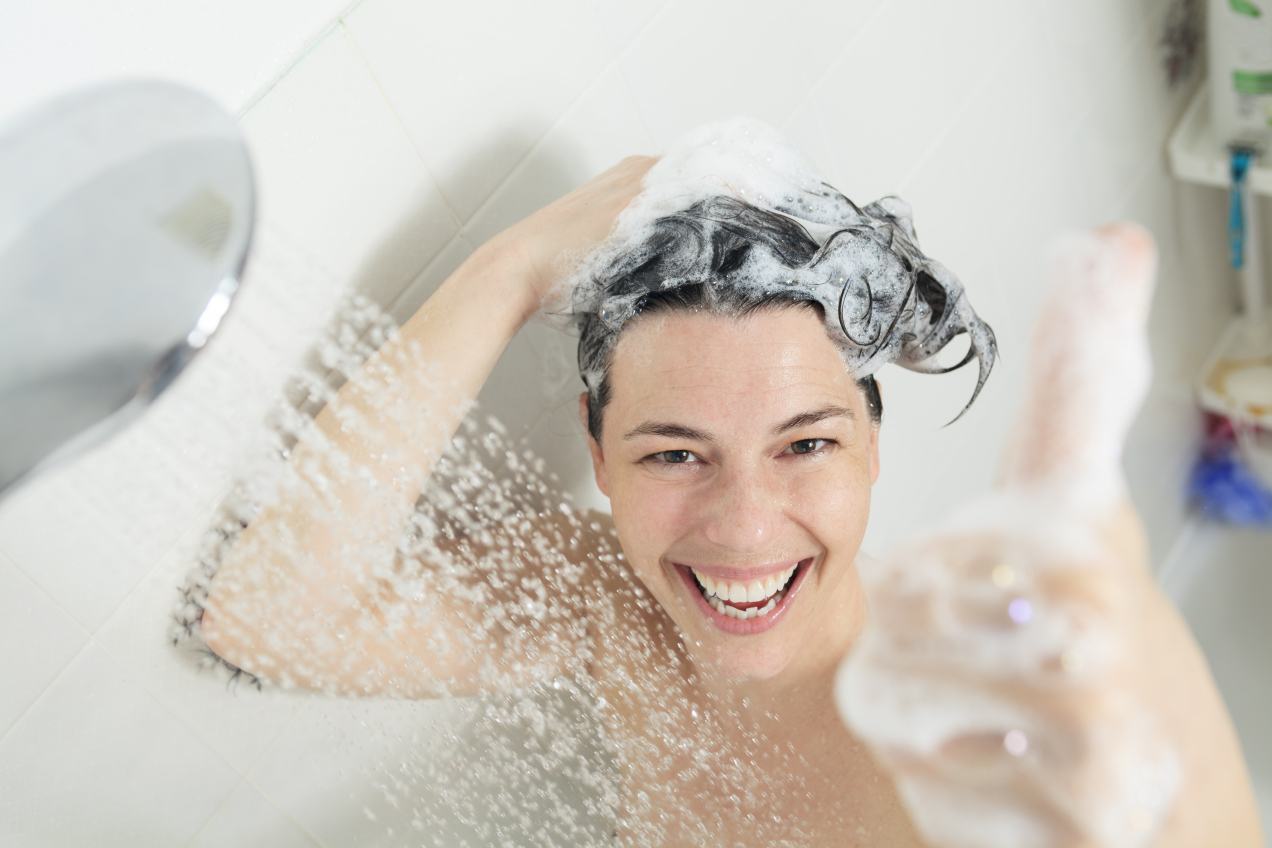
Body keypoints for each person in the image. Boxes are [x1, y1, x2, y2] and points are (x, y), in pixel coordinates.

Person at [201, 123, 1262, 846]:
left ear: (873, 446)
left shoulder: (951, 742)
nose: (745, 527)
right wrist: (510, 270)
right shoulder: (603, 601)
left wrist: (1188, 784)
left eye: (806, 445)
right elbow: (268, 618)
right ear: (598, 453)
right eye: (674, 453)